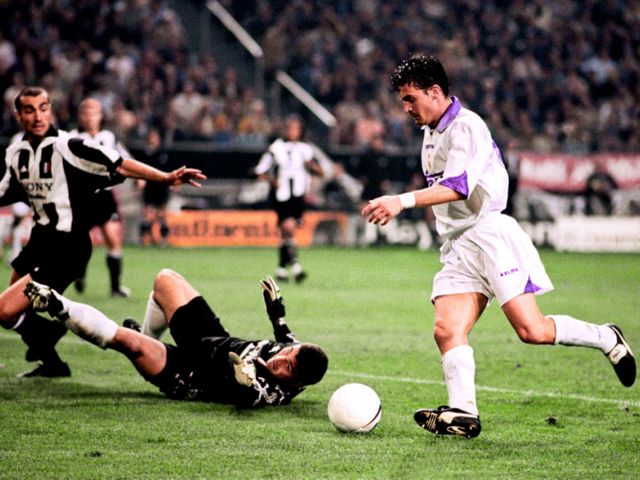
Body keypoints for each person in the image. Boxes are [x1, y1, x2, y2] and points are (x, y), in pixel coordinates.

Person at [362, 55, 636, 439]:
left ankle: (606, 337)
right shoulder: (431, 132)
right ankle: (463, 412)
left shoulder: (466, 126)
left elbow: (458, 187)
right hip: (459, 245)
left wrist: (400, 201)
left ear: (435, 92)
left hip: (490, 235)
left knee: (532, 330)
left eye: (410, 99)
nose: (406, 108)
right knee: (446, 330)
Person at [0, 86, 205, 378]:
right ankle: (52, 360)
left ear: (51, 111)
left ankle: (50, 334)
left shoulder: (67, 146)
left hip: (67, 246)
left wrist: (165, 177)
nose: (37, 116)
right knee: (14, 311)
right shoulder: (16, 153)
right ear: (18, 115)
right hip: (39, 241)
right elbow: (4, 190)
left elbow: (119, 164)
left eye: (43, 108)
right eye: (29, 110)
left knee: (5, 310)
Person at [22, 270, 328, 407]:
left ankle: (57, 304)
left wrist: (246, 383)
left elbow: (252, 398)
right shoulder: (292, 351)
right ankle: (149, 336)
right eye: (287, 355)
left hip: (189, 373)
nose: (280, 359)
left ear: (297, 384)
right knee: (165, 279)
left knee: (128, 342)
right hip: (210, 339)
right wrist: (277, 315)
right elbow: (286, 338)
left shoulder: (274, 392)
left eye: (287, 367)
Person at [69, 98, 133, 297]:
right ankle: (79, 275)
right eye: (86, 112)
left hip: (104, 196)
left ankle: (115, 287)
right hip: (81, 197)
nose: (90, 116)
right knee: (81, 243)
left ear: (101, 115)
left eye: (94, 112)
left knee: (113, 239)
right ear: (80, 116)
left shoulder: (108, 137)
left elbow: (124, 158)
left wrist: (139, 178)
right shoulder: (71, 138)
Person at [254, 115, 324, 282]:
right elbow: (260, 171)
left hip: (298, 194)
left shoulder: (305, 149)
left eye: (296, 128)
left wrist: (312, 167)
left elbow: (320, 171)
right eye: (289, 128)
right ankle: (296, 266)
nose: (292, 132)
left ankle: (281, 269)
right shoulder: (275, 148)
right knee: (288, 227)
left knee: (286, 233)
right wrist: (272, 181)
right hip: (281, 194)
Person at [137, 128, 171, 246]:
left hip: (161, 187)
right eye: (151, 137)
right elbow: (139, 170)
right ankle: (144, 239)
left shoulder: (164, 154)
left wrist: (173, 183)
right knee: (148, 214)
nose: (153, 140)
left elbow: (169, 169)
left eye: (155, 137)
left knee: (162, 215)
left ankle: (163, 240)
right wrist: (139, 181)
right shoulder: (145, 154)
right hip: (150, 187)